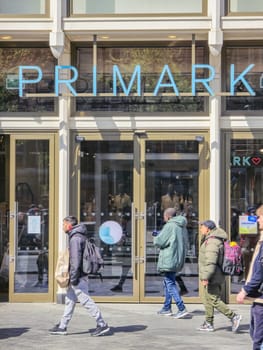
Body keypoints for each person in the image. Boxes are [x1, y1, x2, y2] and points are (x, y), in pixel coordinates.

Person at [49, 216, 110, 336]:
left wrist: (74, 277)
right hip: (79, 274)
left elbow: (75, 260)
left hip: (78, 275)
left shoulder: (75, 238)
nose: (62, 227)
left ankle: (102, 324)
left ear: (69, 225)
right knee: (70, 300)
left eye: (63, 224)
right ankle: (62, 326)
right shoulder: (78, 235)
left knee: (85, 300)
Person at [198, 220, 242, 332]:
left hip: (213, 275)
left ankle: (233, 316)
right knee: (207, 298)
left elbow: (211, 261)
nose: (200, 229)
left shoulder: (212, 242)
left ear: (208, 228)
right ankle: (208, 322)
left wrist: (205, 277)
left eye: (202, 227)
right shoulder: (213, 239)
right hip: (215, 274)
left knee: (214, 299)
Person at [153, 207, 189, 318]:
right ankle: (166, 307)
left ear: (168, 216)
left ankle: (181, 308)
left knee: (169, 283)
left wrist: (156, 236)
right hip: (177, 258)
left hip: (169, 258)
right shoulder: (181, 226)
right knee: (167, 282)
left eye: (164, 216)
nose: (164, 219)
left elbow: (160, 241)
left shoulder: (169, 225)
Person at [236, 204, 263, 350]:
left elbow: (259, 271)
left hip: (261, 299)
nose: (257, 220)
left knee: (258, 339)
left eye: (259, 217)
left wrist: (245, 290)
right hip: (258, 298)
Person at [110, 184, 132, 292]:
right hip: (123, 240)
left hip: (128, 243)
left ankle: (121, 284)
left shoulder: (127, 198)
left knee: (127, 264)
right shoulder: (116, 198)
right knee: (125, 264)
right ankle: (120, 284)